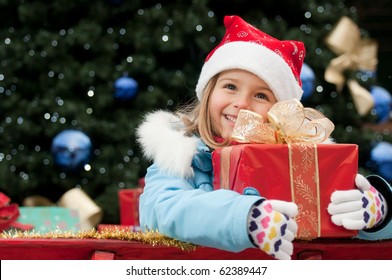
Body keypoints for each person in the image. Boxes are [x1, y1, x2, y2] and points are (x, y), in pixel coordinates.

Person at [136, 15, 392, 260]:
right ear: (208, 92)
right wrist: (243, 216)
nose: (242, 103)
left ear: (280, 111)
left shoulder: (302, 161)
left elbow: (336, 217)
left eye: (261, 96)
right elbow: (160, 209)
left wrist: (379, 211)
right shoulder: (181, 155)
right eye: (230, 86)